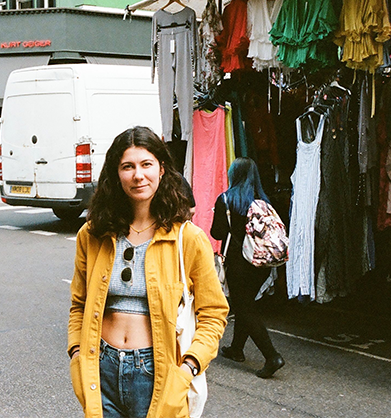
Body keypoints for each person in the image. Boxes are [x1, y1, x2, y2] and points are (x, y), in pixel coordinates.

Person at [68, 126, 228, 418]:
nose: (137, 175)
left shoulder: (187, 238)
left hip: (158, 372)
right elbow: (79, 304)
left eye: (146, 164)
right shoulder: (93, 234)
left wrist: (188, 367)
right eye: (127, 166)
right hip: (100, 367)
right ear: (116, 174)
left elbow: (214, 313)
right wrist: (76, 354)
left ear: (162, 169)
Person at [210, 157, 286, 379]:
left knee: (244, 308)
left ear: (234, 174)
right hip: (261, 263)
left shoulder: (226, 200)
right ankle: (236, 349)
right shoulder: (263, 200)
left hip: (239, 263)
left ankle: (272, 356)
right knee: (247, 303)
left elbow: (217, 233)